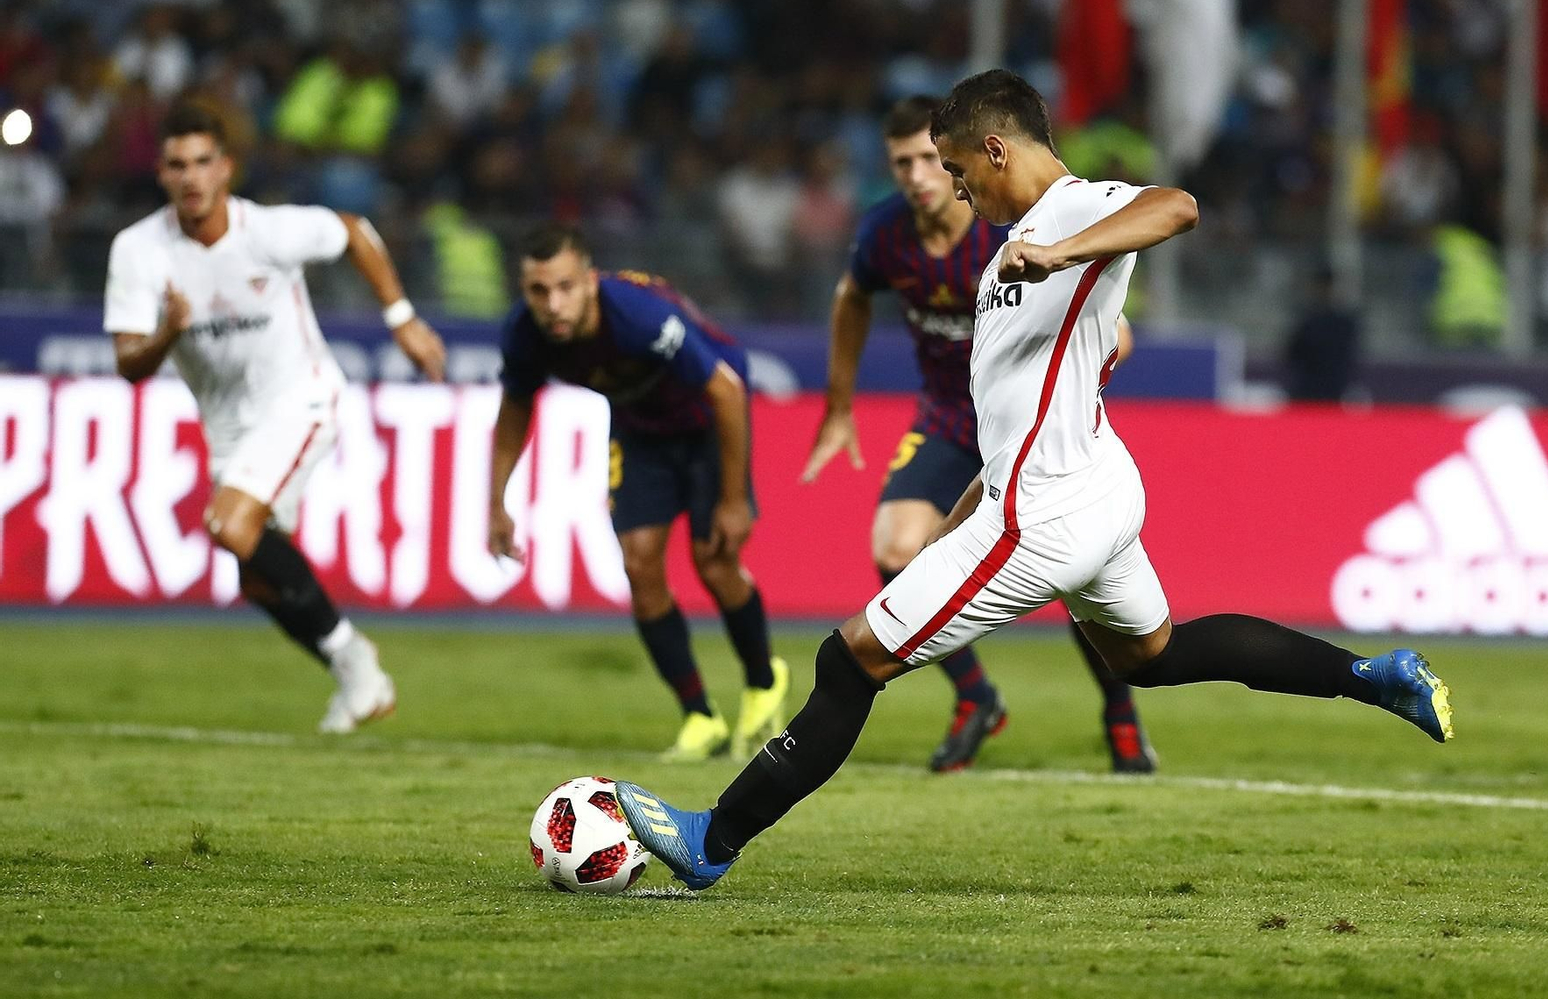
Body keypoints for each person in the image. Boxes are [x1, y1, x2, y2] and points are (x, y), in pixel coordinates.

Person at [611, 70, 1454, 891]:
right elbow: (1011, 429)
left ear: (996, 149)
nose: (956, 187)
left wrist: (1058, 253)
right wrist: (951, 534)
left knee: (849, 660)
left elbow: (1178, 206)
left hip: (1046, 513)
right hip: (1083, 488)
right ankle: (1369, 676)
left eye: (957, 168)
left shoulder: (1073, 211)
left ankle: (712, 839)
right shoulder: (1002, 265)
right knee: (1153, 654)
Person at [801, 95, 1156, 774]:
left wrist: (1085, 371)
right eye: (901, 163)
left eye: (928, 161)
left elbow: (1115, 328)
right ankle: (976, 697)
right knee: (899, 547)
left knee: (1072, 574)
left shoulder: (1008, 225)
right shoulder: (885, 233)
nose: (917, 176)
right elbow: (852, 296)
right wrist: (839, 406)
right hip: (946, 417)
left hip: (1029, 431)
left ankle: (1119, 710)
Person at [104, 102, 447, 732]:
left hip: (301, 398)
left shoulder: (268, 231)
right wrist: (166, 332)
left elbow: (354, 230)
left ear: (225, 168)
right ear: (161, 173)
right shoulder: (138, 249)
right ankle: (356, 676)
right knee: (259, 580)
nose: (191, 177)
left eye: (203, 162)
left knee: (228, 523)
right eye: (178, 165)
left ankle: (356, 660)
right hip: (229, 425)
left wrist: (402, 319)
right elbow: (128, 362)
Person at [489, 223, 788, 762]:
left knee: (714, 562)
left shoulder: (637, 316)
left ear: (590, 280)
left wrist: (733, 500)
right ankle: (700, 718)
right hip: (640, 431)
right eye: (538, 291)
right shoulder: (524, 334)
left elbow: (725, 389)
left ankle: (764, 684)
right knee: (639, 565)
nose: (553, 305)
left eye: (565, 287)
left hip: (706, 422)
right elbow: (514, 409)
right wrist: (496, 503)